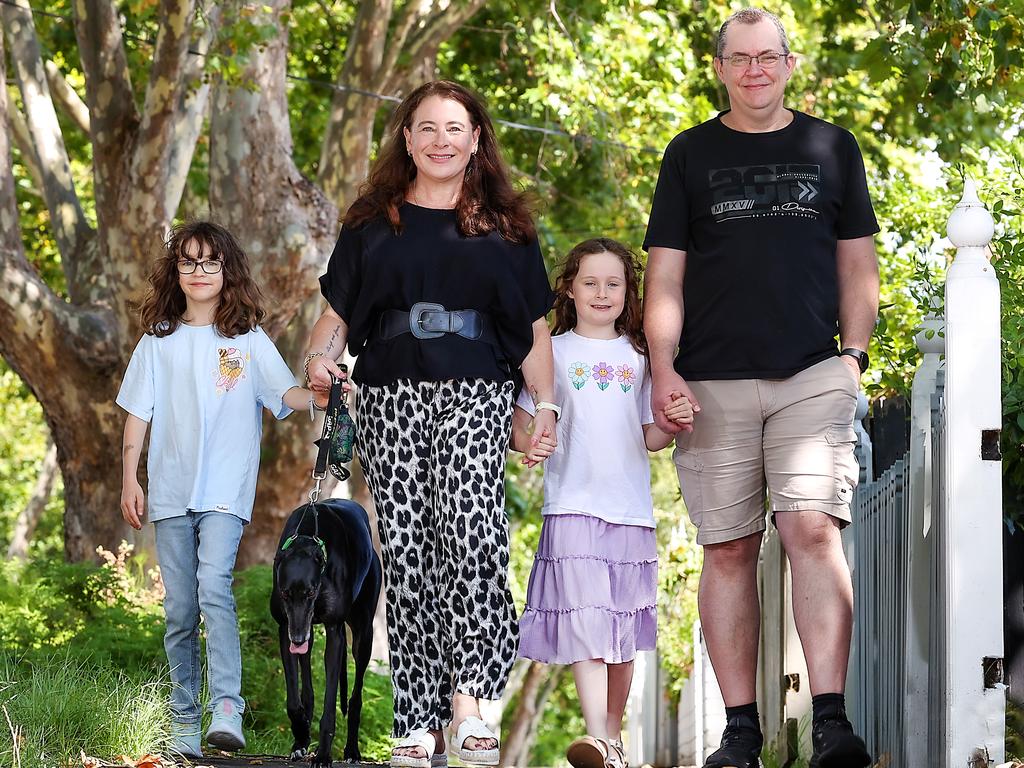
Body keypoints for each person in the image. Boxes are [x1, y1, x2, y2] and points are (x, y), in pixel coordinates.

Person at [642, 8, 879, 768]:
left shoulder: (832, 148)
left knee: (811, 530)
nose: (754, 71)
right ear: (719, 68)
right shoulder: (688, 155)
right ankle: (742, 730)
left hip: (813, 372)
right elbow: (667, 275)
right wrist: (664, 366)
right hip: (710, 381)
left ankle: (830, 722)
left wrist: (855, 358)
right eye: (738, 59)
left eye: (767, 57)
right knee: (730, 546)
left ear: (789, 62)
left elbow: (857, 265)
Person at [305, 80, 556, 768]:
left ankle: (472, 698)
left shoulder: (507, 229)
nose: (441, 140)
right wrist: (318, 360)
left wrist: (547, 406)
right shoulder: (368, 223)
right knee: (410, 552)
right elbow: (335, 319)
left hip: (477, 390)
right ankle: (416, 718)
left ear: (477, 137)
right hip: (387, 394)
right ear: (407, 139)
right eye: (426, 128)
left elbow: (533, 331)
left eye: (455, 127)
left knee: (471, 535)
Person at [117, 221, 327, 757]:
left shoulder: (248, 341)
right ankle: (183, 717)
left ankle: (226, 707)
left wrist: (327, 394)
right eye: (188, 262)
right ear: (176, 272)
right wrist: (130, 479)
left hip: (225, 493)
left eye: (210, 262)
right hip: (168, 492)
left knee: (214, 590)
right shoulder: (157, 342)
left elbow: (287, 395)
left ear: (227, 269)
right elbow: (137, 416)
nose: (199, 272)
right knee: (180, 608)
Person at [512, 238, 694, 768]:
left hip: (630, 512)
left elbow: (651, 436)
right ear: (569, 288)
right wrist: (531, 442)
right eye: (589, 282)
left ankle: (611, 743)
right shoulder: (551, 351)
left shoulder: (640, 357)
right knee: (587, 622)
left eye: (613, 283)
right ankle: (596, 734)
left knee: (619, 633)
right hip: (570, 505)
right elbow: (523, 425)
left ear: (628, 291)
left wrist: (674, 419)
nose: (601, 292)